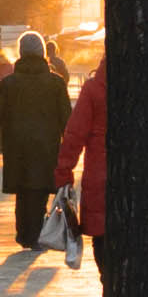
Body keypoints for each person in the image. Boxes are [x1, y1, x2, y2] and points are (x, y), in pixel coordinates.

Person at [0, 30, 72, 248]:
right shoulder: (56, 83)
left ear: (21, 53)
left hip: (17, 146)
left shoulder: (9, 83)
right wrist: (71, 151)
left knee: (23, 190)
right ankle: (34, 233)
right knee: (40, 189)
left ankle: (24, 234)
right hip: (46, 146)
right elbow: (67, 120)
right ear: (43, 52)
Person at [55, 61, 107, 265]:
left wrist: (63, 172)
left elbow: (75, 135)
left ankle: (108, 284)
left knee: (102, 238)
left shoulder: (93, 89)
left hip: (99, 175)